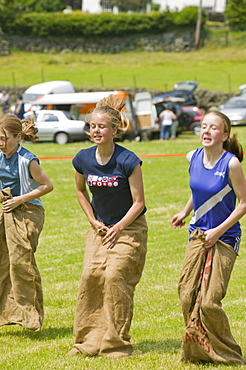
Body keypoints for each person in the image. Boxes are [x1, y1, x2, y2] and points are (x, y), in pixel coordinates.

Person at [68, 94, 148, 358]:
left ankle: (116, 344)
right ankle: (87, 342)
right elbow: (80, 191)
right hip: (100, 229)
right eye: (92, 126)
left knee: (114, 277)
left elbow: (138, 203)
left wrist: (119, 228)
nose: (96, 130)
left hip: (129, 229)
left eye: (102, 126)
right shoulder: (83, 158)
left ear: (115, 129)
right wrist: (92, 219)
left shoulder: (128, 160)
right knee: (90, 278)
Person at [171, 111, 246, 365]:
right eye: (204, 126)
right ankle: (200, 350)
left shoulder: (231, 163)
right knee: (186, 295)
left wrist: (219, 231)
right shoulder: (192, 157)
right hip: (198, 234)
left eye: (213, 128)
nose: (206, 131)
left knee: (210, 302)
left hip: (225, 238)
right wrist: (184, 211)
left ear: (224, 135)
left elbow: (243, 204)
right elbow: (200, 191)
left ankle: (228, 354)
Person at [0, 114, 53, 331]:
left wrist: (20, 199)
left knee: (21, 261)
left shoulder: (27, 160)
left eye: (5, 139)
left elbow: (47, 186)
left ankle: (31, 315)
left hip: (28, 211)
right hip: (6, 209)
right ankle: (6, 315)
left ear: (18, 136)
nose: (1, 144)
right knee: (3, 261)